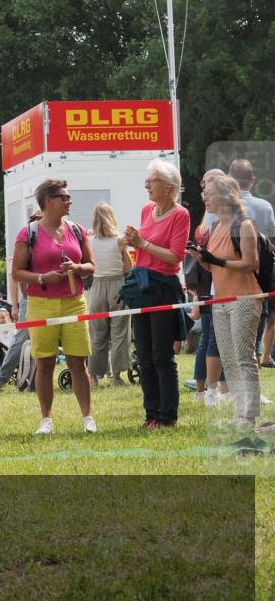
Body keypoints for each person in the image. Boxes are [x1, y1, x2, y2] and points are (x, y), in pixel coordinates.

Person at [12, 179, 97, 435]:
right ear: (48, 201)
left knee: (78, 363)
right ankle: (46, 419)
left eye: (69, 197)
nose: (69, 201)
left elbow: (91, 265)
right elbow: (16, 272)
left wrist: (78, 268)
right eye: (64, 197)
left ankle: (87, 417)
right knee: (45, 363)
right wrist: (42, 278)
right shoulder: (28, 233)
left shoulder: (77, 229)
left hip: (75, 303)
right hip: (41, 304)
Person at [189, 174, 262, 430]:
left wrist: (216, 261)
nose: (204, 197)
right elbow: (213, 267)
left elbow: (250, 263)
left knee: (244, 357)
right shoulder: (217, 226)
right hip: (220, 301)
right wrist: (201, 258)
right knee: (229, 359)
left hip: (244, 299)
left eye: (208, 192)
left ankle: (249, 416)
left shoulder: (243, 225)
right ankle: (240, 413)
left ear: (224, 195)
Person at [123, 160, 191, 429]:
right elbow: (143, 250)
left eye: (152, 181)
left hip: (163, 287)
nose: (146, 185)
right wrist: (133, 243)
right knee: (144, 355)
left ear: (170, 187)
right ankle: (150, 414)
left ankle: (167, 416)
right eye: (148, 180)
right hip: (142, 287)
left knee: (162, 355)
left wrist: (144, 243)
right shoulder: (146, 209)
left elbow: (175, 256)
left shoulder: (180, 214)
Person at [228, 159, 275, 367]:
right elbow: (271, 243)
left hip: (228, 277)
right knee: (258, 326)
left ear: (229, 179)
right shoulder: (265, 207)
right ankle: (260, 358)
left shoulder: (221, 208)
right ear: (253, 180)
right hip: (259, 278)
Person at [189, 169, 227, 404]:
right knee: (215, 339)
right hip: (216, 287)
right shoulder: (214, 219)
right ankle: (212, 391)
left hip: (206, 287)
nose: (204, 193)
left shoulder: (204, 221)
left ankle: (203, 390)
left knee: (208, 339)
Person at [86, 202, 132, 387]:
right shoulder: (119, 240)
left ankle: (94, 377)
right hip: (117, 285)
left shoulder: (89, 241)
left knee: (97, 333)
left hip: (96, 286)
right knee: (119, 333)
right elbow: (128, 266)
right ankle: (116, 377)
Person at [0, 211, 43, 386]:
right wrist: (14, 305)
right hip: (28, 300)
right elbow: (14, 278)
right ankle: (1, 378)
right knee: (20, 339)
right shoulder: (24, 244)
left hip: (49, 298)